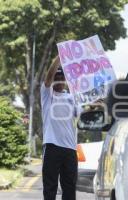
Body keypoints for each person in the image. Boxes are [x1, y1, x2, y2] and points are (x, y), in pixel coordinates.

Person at [40, 55, 78, 200]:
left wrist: (95, 104)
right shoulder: (47, 95)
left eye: (62, 77)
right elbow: (49, 76)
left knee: (69, 190)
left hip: (70, 149)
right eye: (57, 77)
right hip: (52, 147)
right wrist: (60, 56)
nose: (60, 80)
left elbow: (83, 110)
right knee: (50, 189)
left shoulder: (71, 98)